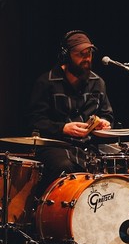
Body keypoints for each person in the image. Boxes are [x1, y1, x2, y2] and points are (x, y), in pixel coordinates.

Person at [28, 29, 114, 198]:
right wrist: (63, 128)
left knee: (113, 165)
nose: (87, 58)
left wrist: (104, 123)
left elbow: (108, 115)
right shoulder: (47, 82)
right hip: (56, 146)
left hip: (88, 148)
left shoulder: (98, 83)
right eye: (80, 54)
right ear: (66, 56)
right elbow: (34, 120)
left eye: (89, 53)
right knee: (64, 165)